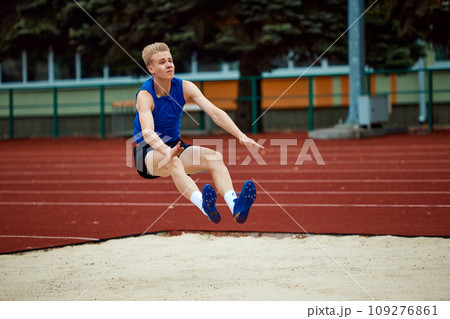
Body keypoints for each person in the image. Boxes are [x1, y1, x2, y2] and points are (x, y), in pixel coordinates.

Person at [133, 42, 263, 224]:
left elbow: (215, 113)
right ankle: (204, 206)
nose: (169, 64)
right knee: (173, 162)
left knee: (215, 157)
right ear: (151, 69)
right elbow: (147, 132)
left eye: (170, 60)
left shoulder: (185, 87)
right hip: (147, 153)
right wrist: (165, 150)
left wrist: (240, 135)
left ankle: (235, 205)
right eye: (162, 62)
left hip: (175, 146)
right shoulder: (145, 95)